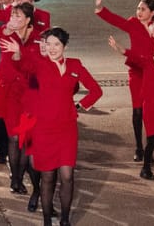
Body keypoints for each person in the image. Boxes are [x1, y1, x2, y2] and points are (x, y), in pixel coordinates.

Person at [12, 28, 101, 226]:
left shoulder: (75, 65)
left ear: (65, 46)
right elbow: (20, 63)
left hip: (67, 129)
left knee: (67, 176)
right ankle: (46, 221)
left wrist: (80, 105)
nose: (51, 48)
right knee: (48, 176)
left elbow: (96, 91)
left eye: (56, 45)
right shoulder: (39, 64)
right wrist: (17, 53)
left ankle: (66, 219)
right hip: (43, 129)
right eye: (48, 44)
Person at [94, 0, 154, 173]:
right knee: (137, 110)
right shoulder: (133, 23)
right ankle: (140, 147)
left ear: (153, 12)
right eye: (138, 9)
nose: (139, 12)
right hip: (137, 70)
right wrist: (101, 9)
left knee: (152, 110)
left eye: (143, 9)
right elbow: (117, 21)